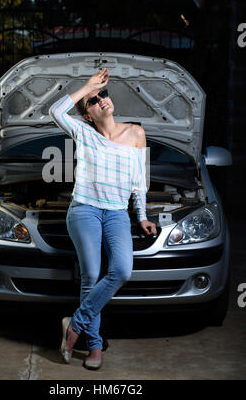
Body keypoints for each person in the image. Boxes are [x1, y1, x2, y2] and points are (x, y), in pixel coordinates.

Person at [48, 67, 157, 370]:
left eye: (103, 95)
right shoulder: (82, 132)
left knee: (121, 270)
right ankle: (94, 347)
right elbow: (54, 110)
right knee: (91, 275)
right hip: (84, 210)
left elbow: (139, 181)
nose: (101, 100)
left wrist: (143, 216)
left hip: (117, 213)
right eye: (93, 102)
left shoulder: (136, 133)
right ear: (87, 116)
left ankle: (74, 324)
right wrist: (88, 86)